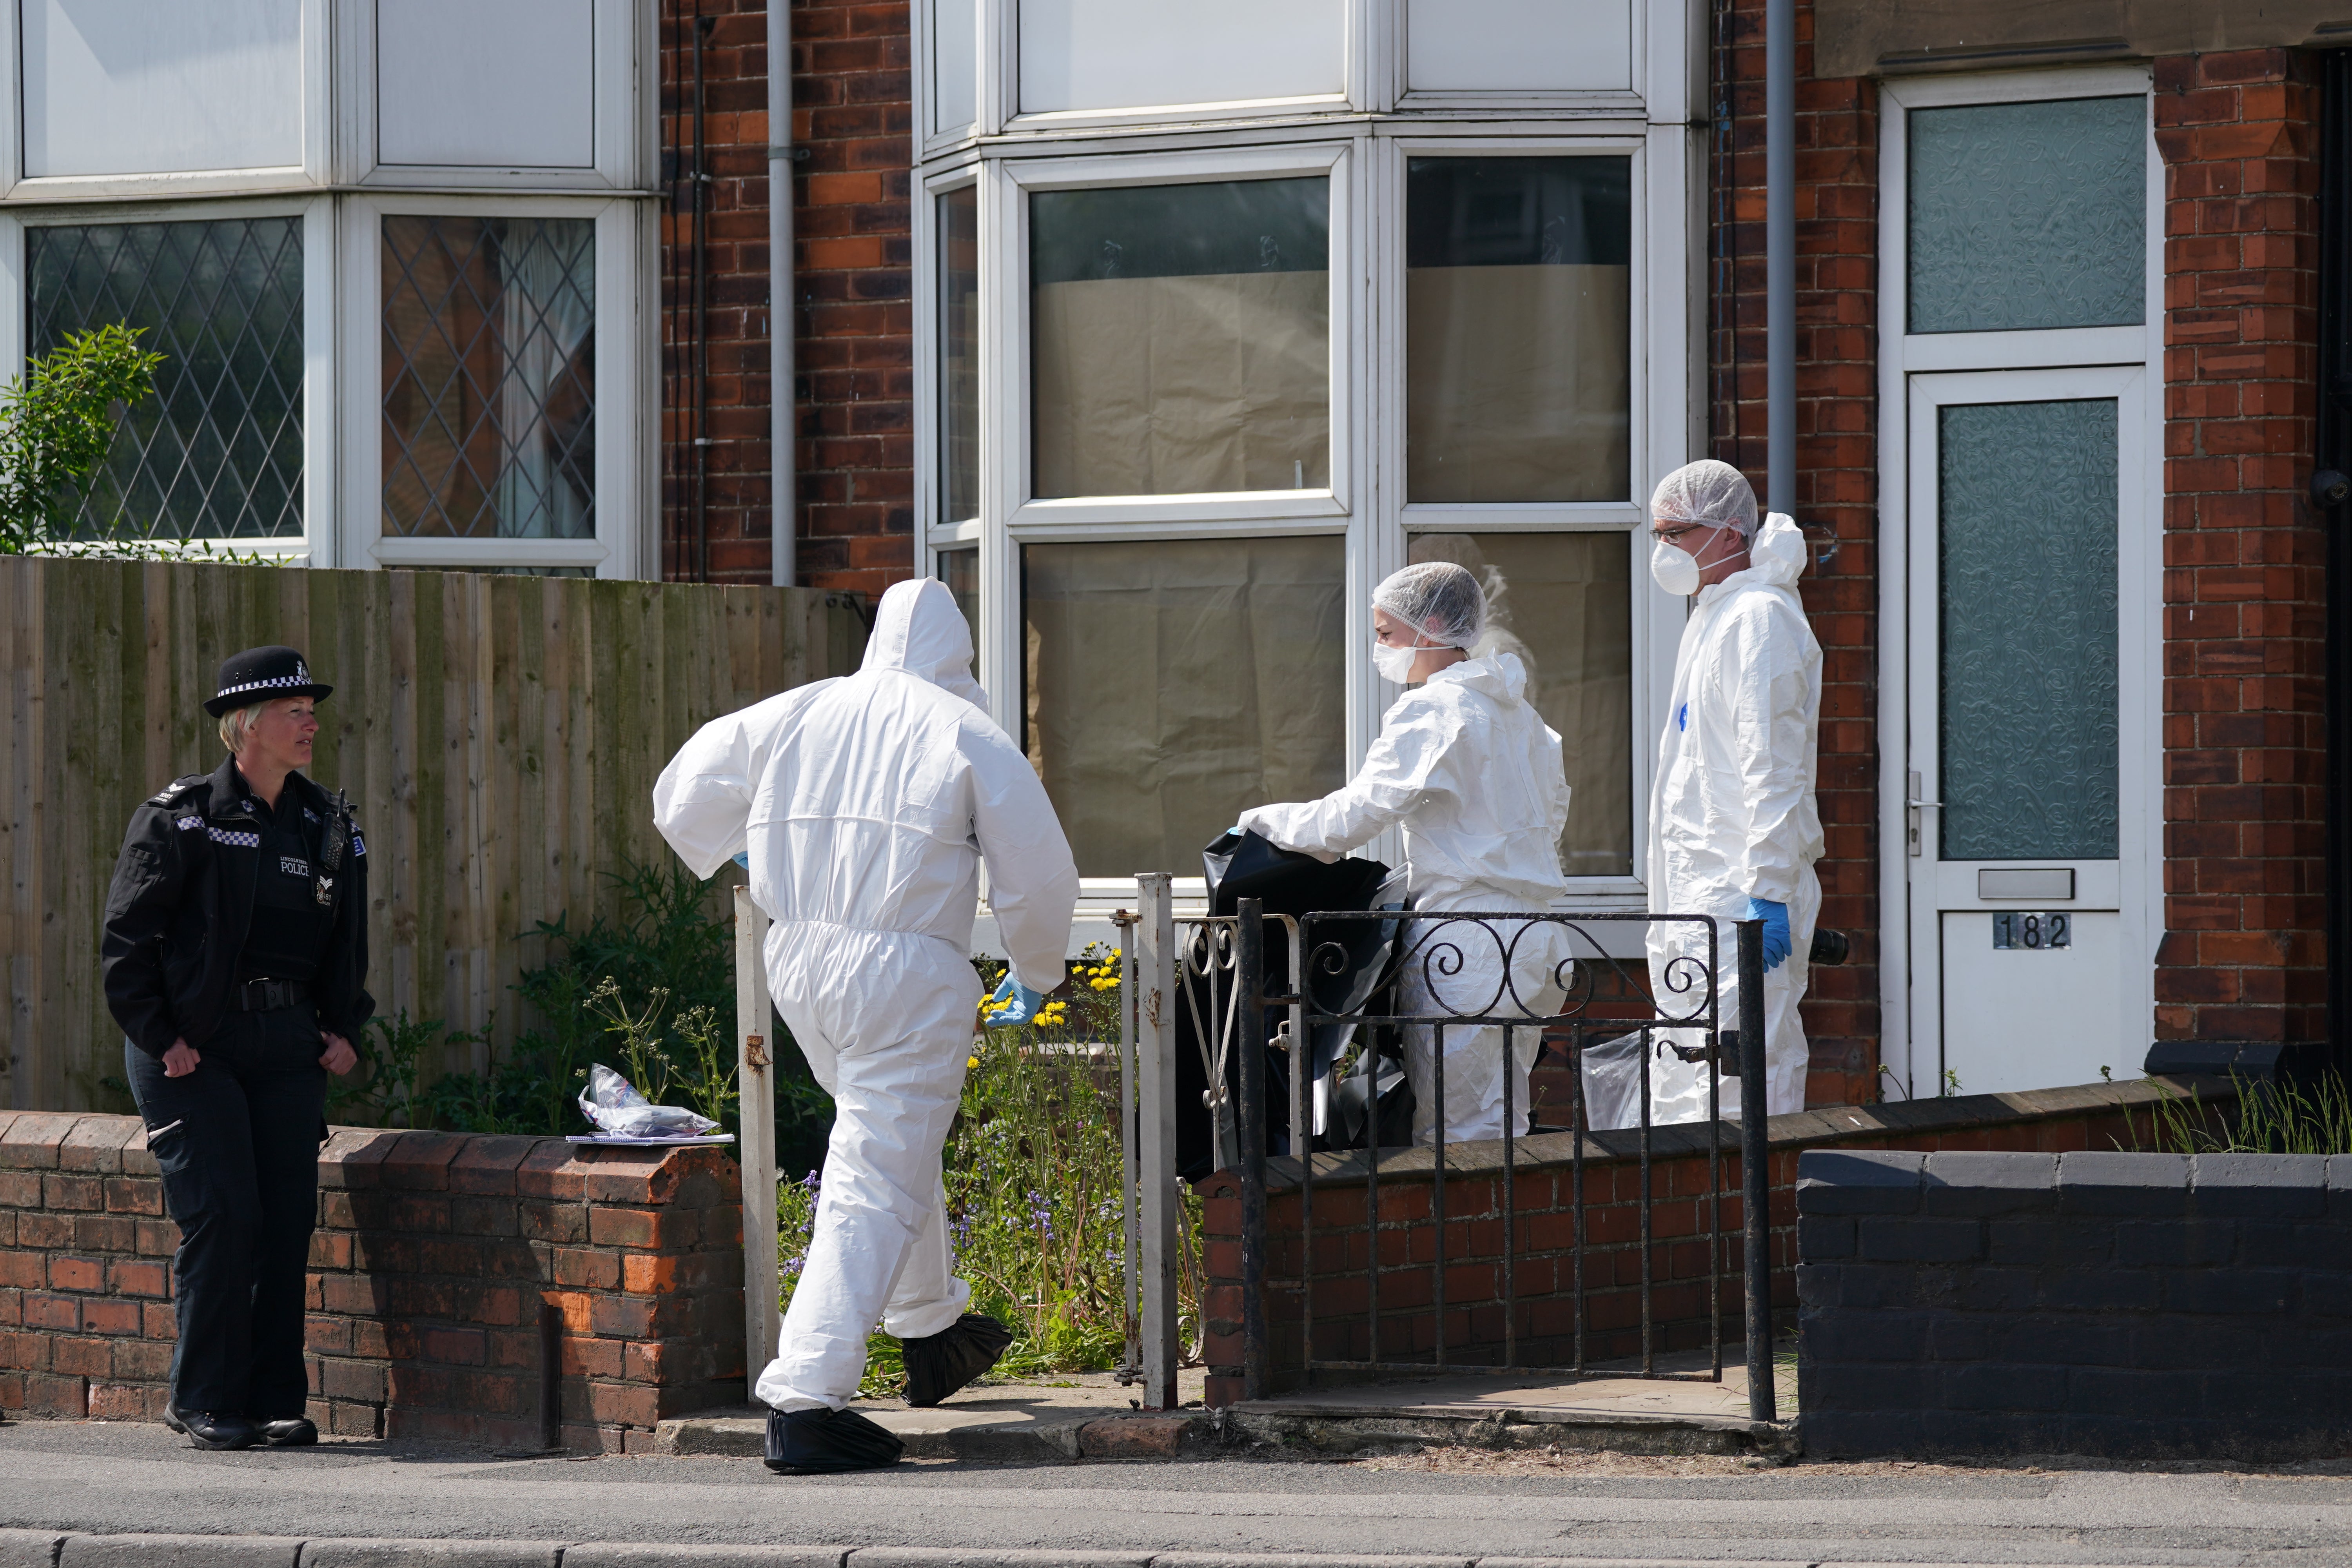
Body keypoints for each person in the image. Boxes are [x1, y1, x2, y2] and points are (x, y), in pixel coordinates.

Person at [652, 577, 1080, 1476]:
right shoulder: (964, 729)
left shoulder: (799, 710)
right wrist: (1037, 970)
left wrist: (752, 850)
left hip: (798, 959)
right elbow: (1038, 877)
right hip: (907, 967)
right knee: (876, 1171)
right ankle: (806, 1396)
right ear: (956, 654)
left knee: (882, 1143)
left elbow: (682, 796)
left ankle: (929, 1329)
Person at [100, 646, 371, 1452]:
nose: (311, 721)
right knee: (223, 1215)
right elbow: (127, 942)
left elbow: (346, 939)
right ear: (245, 726)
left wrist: (344, 1026)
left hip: (286, 1044)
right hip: (194, 1049)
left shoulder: (328, 823)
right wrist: (162, 1038)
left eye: (311, 709)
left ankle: (272, 1398)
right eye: (296, 710)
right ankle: (203, 1398)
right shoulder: (181, 818)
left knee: (286, 1220)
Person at [1237, 561, 1572, 1146]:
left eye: (1386, 634)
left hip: (1467, 945)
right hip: (1535, 940)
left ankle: (1474, 1240)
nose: (1380, 649)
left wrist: (1260, 823)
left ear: (1433, 625)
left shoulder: (1434, 710)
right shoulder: (1523, 716)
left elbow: (1352, 818)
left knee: (1458, 1135)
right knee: (1507, 1121)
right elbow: (1554, 815)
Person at [1641, 459, 1823, 1124]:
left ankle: (1752, 1229)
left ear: (1728, 534)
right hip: (1707, 896)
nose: (1664, 550)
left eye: (1677, 532)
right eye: (1658, 534)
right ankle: (1704, 1229)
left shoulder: (1758, 620)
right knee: (1697, 1084)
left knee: (1743, 1085)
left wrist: (1769, 891)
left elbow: (1770, 766)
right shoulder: (1717, 618)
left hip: (1740, 899)